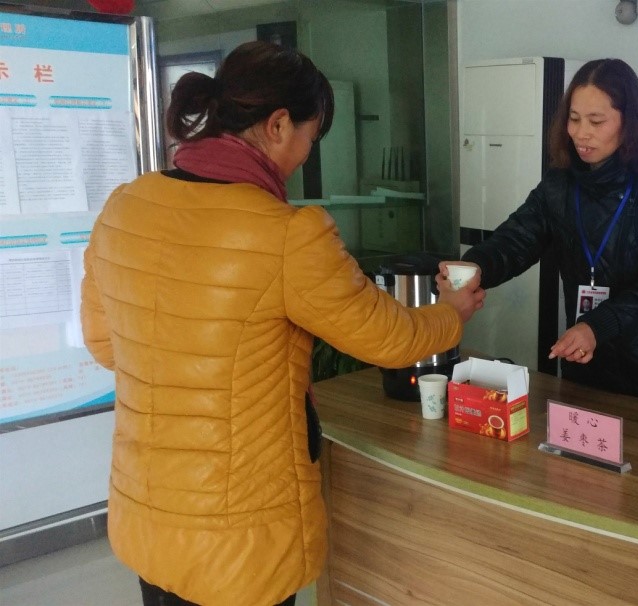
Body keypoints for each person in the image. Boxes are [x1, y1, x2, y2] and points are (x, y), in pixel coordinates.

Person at [79, 41, 484, 606]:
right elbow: (390, 338)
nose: (305, 155)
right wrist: (451, 313)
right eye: (309, 138)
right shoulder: (287, 234)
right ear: (277, 125)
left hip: (148, 515)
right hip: (241, 535)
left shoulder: (126, 206)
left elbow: (104, 345)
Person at [462, 58, 638, 410]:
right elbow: (516, 240)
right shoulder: (560, 183)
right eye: (574, 119)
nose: (581, 133)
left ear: (630, 122)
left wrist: (598, 325)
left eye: (596, 121)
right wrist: (473, 268)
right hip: (586, 369)